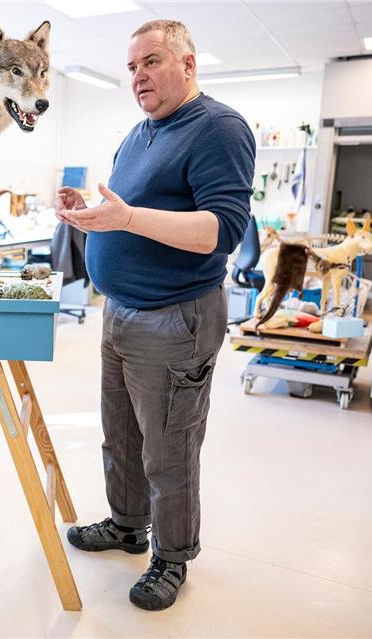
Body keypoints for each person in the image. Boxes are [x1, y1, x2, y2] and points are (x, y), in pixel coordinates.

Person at [55, 19, 255, 611]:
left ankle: (172, 557)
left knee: (168, 449)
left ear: (188, 65)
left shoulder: (217, 128)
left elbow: (223, 231)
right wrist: (91, 213)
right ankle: (126, 524)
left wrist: (128, 221)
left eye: (151, 62)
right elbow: (131, 210)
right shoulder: (141, 132)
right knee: (120, 437)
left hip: (175, 318)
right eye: (132, 68)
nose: (139, 76)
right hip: (120, 313)